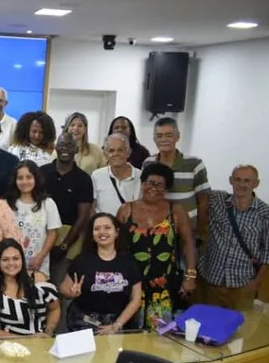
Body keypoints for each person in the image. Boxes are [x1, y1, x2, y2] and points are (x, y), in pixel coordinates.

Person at [116, 163, 196, 329]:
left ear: (167, 188)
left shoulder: (176, 211)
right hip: (131, 283)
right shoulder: (126, 210)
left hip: (164, 285)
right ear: (142, 183)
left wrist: (190, 276)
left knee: (161, 333)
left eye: (160, 185)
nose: (154, 188)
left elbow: (188, 243)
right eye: (150, 183)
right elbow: (116, 246)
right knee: (129, 331)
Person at [198, 165, 269, 311]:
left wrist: (257, 282)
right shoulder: (218, 200)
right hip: (212, 281)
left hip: (242, 284)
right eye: (237, 180)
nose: (242, 185)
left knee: (239, 329)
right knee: (209, 326)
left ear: (256, 183)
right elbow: (197, 192)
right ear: (230, 181)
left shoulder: (265, 212)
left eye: (247, 181)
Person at [60, 213, 143, 334]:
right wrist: (70, 293)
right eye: (97, 229)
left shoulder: (128, 261)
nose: (102, 232)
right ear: (92, 235)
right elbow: (63, 289)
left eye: (107, 228)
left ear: (116, 232)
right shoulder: (82, 260)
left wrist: (117, 325)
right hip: (83, 322)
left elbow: (136, 299)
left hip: (118, 323)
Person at [41, 133, 94, 289]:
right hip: (41, 236)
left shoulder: (84, 179)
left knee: (61, 288)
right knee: (38, 285)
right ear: (55, 148)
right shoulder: (41, 173)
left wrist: (64, 246)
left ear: (76, 149)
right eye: (62, 145)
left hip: (70, 239)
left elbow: (83, 217)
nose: (65, 149)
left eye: (70, 146)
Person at [142, 117, 210, 239]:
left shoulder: (194, 163)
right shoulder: (148, 163)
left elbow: (204, 201)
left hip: (187, 231)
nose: (164, 139)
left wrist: (201, 232)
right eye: (159, 135)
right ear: (154, 139)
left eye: (169, 135)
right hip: (156, 230)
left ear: (177, 137)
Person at [0, 238, 60, 337]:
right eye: (5, 259)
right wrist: (27, 339)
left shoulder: (39, 281)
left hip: (41, 343)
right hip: (9, 346)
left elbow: (55, 308)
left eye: (16, 258)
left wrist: (49, 331)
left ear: (22, 259)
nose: (11, 263)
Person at [7, 161, 62, 275]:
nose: (24, 182)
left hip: (38, 264)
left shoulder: (47, 203)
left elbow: (53, 233)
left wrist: (41, 256)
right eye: (20, 178)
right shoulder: (8, 204)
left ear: (36, 179)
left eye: (29, 177)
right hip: (11, 264)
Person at [91, 133, 141, 215]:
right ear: (105, 154)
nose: (116, 154)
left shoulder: (140, 176)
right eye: (111, 150)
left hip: (131, 227)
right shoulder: (96, 175)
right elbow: (91, 207)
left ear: (129, 152)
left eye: (120, 150)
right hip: (104, 226)